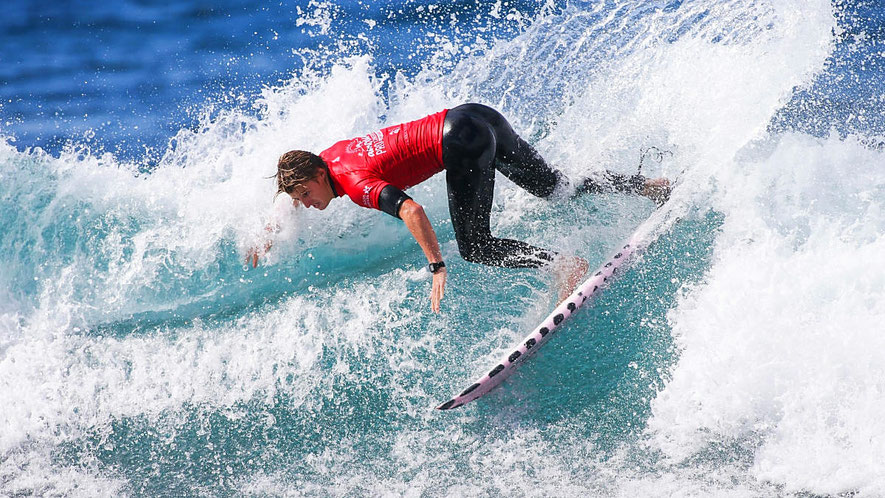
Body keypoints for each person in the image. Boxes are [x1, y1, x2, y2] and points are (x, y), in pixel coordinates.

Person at [249, 103, 670, 313]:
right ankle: (650, 186)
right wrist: (272, 231)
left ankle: (563, 265)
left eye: (305, 195)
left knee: (474, 246)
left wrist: (436, 265)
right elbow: (290, 185)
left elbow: (411, 210)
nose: (308, 205)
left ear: (318, 177)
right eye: (298, 199)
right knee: (553, 186)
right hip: (472, 114)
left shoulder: (354, 183)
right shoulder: (329, 157)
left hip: (459, 143)